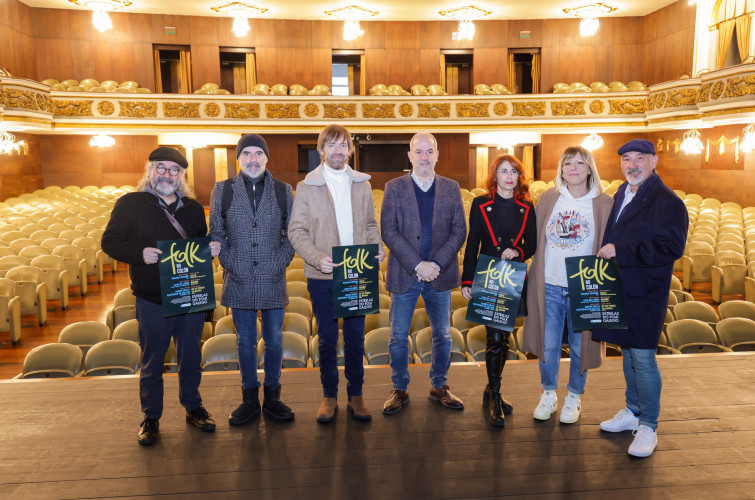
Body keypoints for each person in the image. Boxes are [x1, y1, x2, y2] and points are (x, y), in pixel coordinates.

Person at [102, 147, 221, 446]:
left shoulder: (193, 209)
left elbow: (197, 249)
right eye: (162, 168)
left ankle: (193, 407)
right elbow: (109, 242)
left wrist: (211, 249)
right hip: (152, 299)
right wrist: (139, 254)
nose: (168, 174)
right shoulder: (130, 204)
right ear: (150, 170)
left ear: (182, 176)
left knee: (191, 358)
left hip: (189, 296)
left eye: (174, 170)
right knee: (153, 361)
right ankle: (151, 416)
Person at [594, 139, 688, 458]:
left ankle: (648, 425)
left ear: (654, 161)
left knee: (644, 357)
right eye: (626, 159)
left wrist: (622, 251)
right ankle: (632, 411)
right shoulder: (622, 192)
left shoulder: (668, 201)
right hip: (620, 287)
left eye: (639, 159)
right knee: (629, 353)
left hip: (647, 291)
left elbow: (671, 247)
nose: (632, 164)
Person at [288, 124, 384, 423]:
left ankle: (356, 395)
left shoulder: (363, 185)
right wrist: (317, 258)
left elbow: (369, 225)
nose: (338, 151)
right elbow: (296, 231)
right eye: (332, 145)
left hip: (357, 273)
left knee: (356, 340)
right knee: (328, 340)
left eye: (343, 145)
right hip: (322, 275)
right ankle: (329, 396)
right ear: (322, 150)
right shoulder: (306, 186)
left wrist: (376, 246)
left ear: (351, 150)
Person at [521, 146, 613, 425]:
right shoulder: (550, 197)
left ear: (589, 168)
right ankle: (549, 393)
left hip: (583, 286)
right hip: (548, 283)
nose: (573, 168)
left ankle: (574, 395)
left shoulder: (603, 203)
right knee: (547, 345)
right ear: (561, 169)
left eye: (579, 163)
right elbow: (532, 235)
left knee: (579, 345)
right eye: (567, 163)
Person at [208, 133, 296, 425]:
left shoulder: (284, 190)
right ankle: (248, 398)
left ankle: (273, 398)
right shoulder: (223, 189)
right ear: (239, 158)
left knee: (274, 341)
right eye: (247, 154)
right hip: (239, 276)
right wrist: (230, 264)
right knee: (244, 341)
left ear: (267, 158)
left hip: (273, 277)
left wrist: (279, 264)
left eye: (259, 153)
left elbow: (292, 235)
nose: (253, 159)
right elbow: (217, 234)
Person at [380, 132, 467, 415]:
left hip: (440, 276)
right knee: (397, 336)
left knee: (443, 335)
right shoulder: (394, 188)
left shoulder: (452, 188)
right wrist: (418, 265)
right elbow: (389, 231)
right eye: (419, 152)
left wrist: (436, 265)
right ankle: (399, 389)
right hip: (406, 273)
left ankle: (439, 386)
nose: (425, 157)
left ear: (437, 154)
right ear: (410, 156)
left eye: (429, 151)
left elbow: (459, 231)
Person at [461, 154, 537, 427]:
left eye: (513, 172)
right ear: (495, 175)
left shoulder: (527, 207)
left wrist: (518, 250)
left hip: (512, 277)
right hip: (488, 276)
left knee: (503, 339)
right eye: (503, 171)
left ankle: (491, 388)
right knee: (494, 338)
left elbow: (532, 244)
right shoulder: (481, 204)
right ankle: (495, 395)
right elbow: (473, 244)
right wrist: (467, 281)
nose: (508, 176)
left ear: (519, 177)